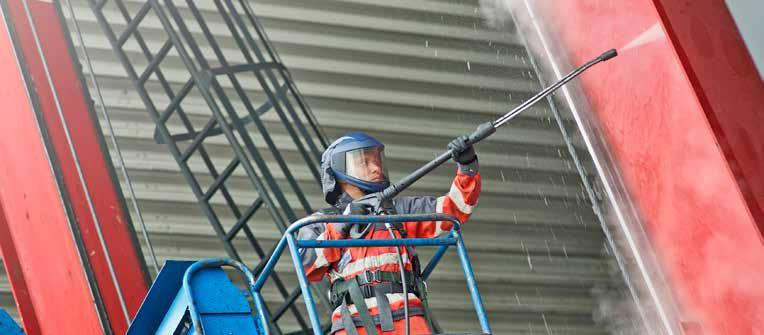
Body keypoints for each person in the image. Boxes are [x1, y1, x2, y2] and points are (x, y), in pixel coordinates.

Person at [297, 132, 481, 335]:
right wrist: (344, 221)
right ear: (340, 172)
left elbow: (455, 209)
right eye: (364, 162)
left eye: (376, 160)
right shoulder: (321, 223)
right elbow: (308, 265)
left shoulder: (398, 210)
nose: (376, 167)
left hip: (408, 319)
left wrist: (467, 166)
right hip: (351, 324)